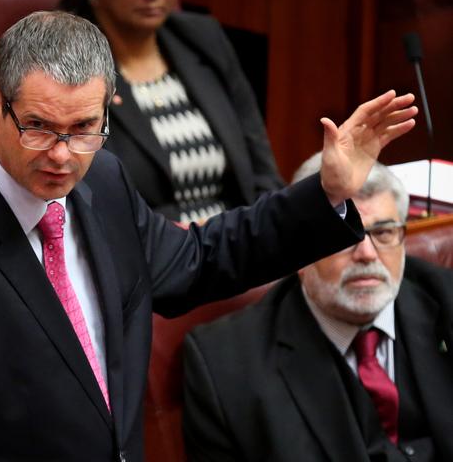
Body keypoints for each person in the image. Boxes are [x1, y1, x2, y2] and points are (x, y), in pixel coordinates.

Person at [0, 11, 416, 461]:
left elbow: (200, 260)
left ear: (108, 111)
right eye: (40, 127)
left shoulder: (104, 182)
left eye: (83, 129)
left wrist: (327, 193)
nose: (62, 157)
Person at [183, 154, 453, 462]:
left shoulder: (445, 299)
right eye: (343, 237)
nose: (366, 253)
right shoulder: (226, 365)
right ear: (298, 250)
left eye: (383, 232)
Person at [59, 0, 284, 224]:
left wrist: (268, 237)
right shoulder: (69, 66)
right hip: (153, 252)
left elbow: (263, 174)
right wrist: (193, 242)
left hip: (240, 242)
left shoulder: (204, 38)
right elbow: (90, 207)